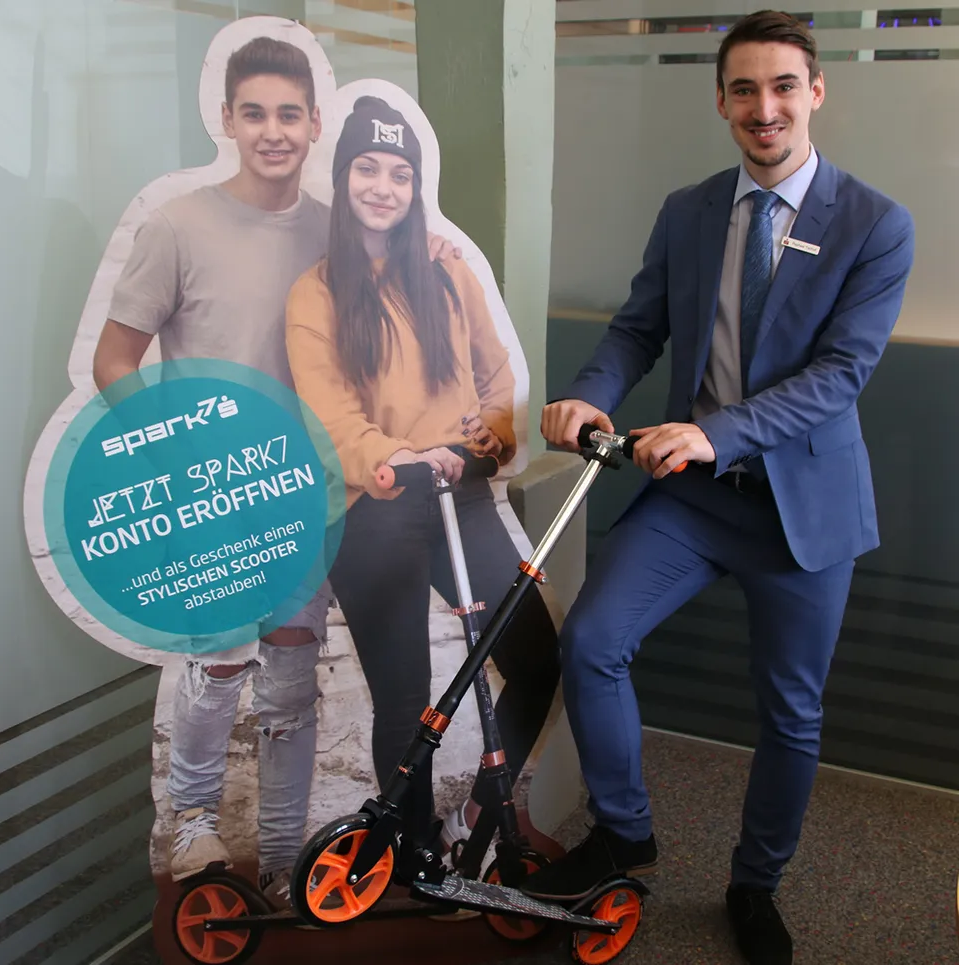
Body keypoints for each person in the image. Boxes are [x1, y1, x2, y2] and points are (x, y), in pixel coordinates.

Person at [520, 11, 915, 965]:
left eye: (784, 86)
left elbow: (838, 377)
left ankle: (756, 886)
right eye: (745, 89)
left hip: (800, 510)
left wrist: (715, 430)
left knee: (791, 713)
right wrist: (588, 394)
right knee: (595, 640)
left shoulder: (876, 223)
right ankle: (625, 835)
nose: (764, 107)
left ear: (816, 92)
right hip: (693, 502)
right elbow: (634, 330)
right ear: (722, 102)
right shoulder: (691, 210)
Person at [92, 38, 458, 911]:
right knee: (216, 666)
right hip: (218, 495)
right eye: (253, 112)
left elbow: (389, 319)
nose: (272, 130)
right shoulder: (177, 225)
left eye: (289, 114)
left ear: (314, 124)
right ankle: (189, 818)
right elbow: (113, 362)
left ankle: (290, 862)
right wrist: (174, 452)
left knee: (293, 682)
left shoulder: (334, 228)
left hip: (305, 496)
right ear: (226, 119)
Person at [285, 95, 561, 869]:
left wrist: (486, 437)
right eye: (366, 169)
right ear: (342, 180)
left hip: (460, 496)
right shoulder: (316, 291)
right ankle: (412, 857)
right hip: (374, 508)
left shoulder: (445, 270)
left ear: (414, 186)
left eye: (399, 174)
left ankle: (482, 806)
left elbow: (495, 372)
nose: (383, 186)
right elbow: (329, 410)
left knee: (539, 657)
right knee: (405, 702)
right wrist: (397, 456)